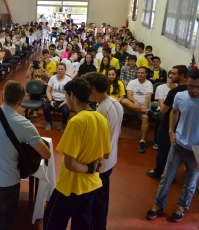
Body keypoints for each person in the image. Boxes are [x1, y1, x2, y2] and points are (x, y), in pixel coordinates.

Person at [0, 80, 51, 230]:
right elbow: (46, 154)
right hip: (7, 181)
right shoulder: (24, 124)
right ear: (21, 101)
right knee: (8, 213)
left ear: (2, 95)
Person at [43, 77, 111, 230]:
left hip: (71, 186)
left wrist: (90, 168)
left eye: (66, 96)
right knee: (82, 223)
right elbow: (105, 154)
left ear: (72, 95)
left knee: (52, 222)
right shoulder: (101, 119)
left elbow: (70, 163)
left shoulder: (76, 122)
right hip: (92, 185)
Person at [146, 69, 199, 222]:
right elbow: (174, 112)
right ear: (186, 82)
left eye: (197, 87)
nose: (193, 90)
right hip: (178, 145)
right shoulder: (179, 96)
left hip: (197, 150)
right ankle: (158, 204)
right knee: (166, 177)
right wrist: (170, 130)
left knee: (190, 182)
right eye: (190, 86)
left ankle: (182, 207)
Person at [83, 72, 123, 230]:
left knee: (98, 202)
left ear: (93, 88)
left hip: (101, 163)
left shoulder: (102, 112)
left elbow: (97, 143)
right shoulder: (115, 103)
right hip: (111, 159)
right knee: (102, 196)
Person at [146, 65, 188, 180]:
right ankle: (171, 175)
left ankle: (158, 173)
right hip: (182, 126)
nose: (171, 75)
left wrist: (162, 102)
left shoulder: (174, 92)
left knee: (163, 151)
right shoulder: (190, 90)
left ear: (182, 76)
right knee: (176, 153)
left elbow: (164, 110)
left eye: (174, 74)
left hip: (168, 125)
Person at [121, 67, 154, 153]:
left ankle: (142, 142)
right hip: (132, 106)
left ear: (146, 74)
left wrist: (145, 106)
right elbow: (129, 95)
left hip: (143, 106)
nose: (140, 74)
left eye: (142, 73)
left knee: (145, 118)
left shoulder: (149, 83)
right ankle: (147, 112)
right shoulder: (132, 82)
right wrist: (135, 102)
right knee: (124, 101)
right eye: (139, 72)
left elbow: (149, 96)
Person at [44, 63, 72, 132]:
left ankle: (64, 123)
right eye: (59, 69)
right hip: (53, 99)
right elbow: (48, 91)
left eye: (62, 69)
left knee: (65, 111)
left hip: (64, 100)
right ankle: (49, 122)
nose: (60, 71)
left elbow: (70, 94)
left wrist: (65, 102)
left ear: (65, 70)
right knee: (45, 108)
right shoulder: (52, 78)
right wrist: (50, 101)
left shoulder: (69, 80)